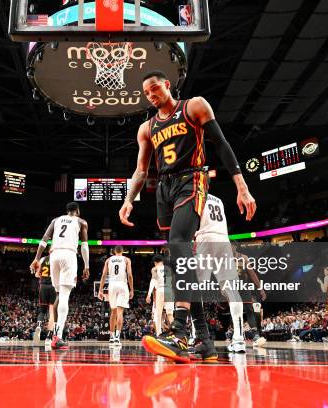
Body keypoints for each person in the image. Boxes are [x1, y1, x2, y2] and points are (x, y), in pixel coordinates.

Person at [119, 70, 256, 362]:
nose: (151, 95)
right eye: (146, 93)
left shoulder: (193, 106)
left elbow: (221, 143)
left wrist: (241, 186)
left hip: (192, 179)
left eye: (154, 88)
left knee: (180, 244)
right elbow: (142, 170)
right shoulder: (146, 128)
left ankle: (179, 333)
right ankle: (204, 340)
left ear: (167, 85)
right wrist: (129, 199)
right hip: (164, 188)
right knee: (177, 258)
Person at [30, 202, 90, 350]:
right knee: (64, 296)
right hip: (69, 255)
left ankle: (55, 336)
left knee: (58, 295)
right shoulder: (81, 222)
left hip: (54, 255)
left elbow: (44, 240)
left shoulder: (55, 220)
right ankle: (58, 337)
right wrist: (87, 265)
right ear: (77, 211)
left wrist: (37, 259)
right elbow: (84, 245)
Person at [194, 194, 247, 353]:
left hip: (205, 237)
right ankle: (238, 340)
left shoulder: (195, 194)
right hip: (223, 239)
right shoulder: (219, 199)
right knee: (232, 289)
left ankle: (196, 335)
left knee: (196, 289)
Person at [98, 246, 134, 346]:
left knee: (112, 312)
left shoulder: (109, 260)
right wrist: (131, 289)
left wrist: (100, 290)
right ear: (122, 251)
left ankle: (111, 337)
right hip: (122, 285)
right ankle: (117, 337)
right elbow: (130, 275)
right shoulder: (126, 259)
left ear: (114, 252)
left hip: (112, 285)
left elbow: (103, 275)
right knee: (120, 312)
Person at [232, 245, 267, 347]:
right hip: (232, 288)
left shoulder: (243, 258)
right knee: (235, 312)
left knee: (249, 310)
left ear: (235, 246)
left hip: (243, 287)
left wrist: (260, 288)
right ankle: (237, 336)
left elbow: (252, 274)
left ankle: (255, 335)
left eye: (230, 246)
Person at [146, 255, 173, 336]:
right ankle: (175, 333)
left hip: (160, 290)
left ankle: (159, 334)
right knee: (170, 314)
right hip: (169, 289)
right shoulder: (168, 268)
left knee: (158, 313)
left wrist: (149, 294)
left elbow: (153, 281)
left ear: (155, 262)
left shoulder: (155, 269)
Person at [33, 256, 57, 347]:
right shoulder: (57, 258)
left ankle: (39, 326)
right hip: (53, 286)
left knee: (42, 311)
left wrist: (41, 275)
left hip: (43, 286)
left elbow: (36, 274)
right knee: (52, 313)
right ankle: (48, 337)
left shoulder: (43, 259)